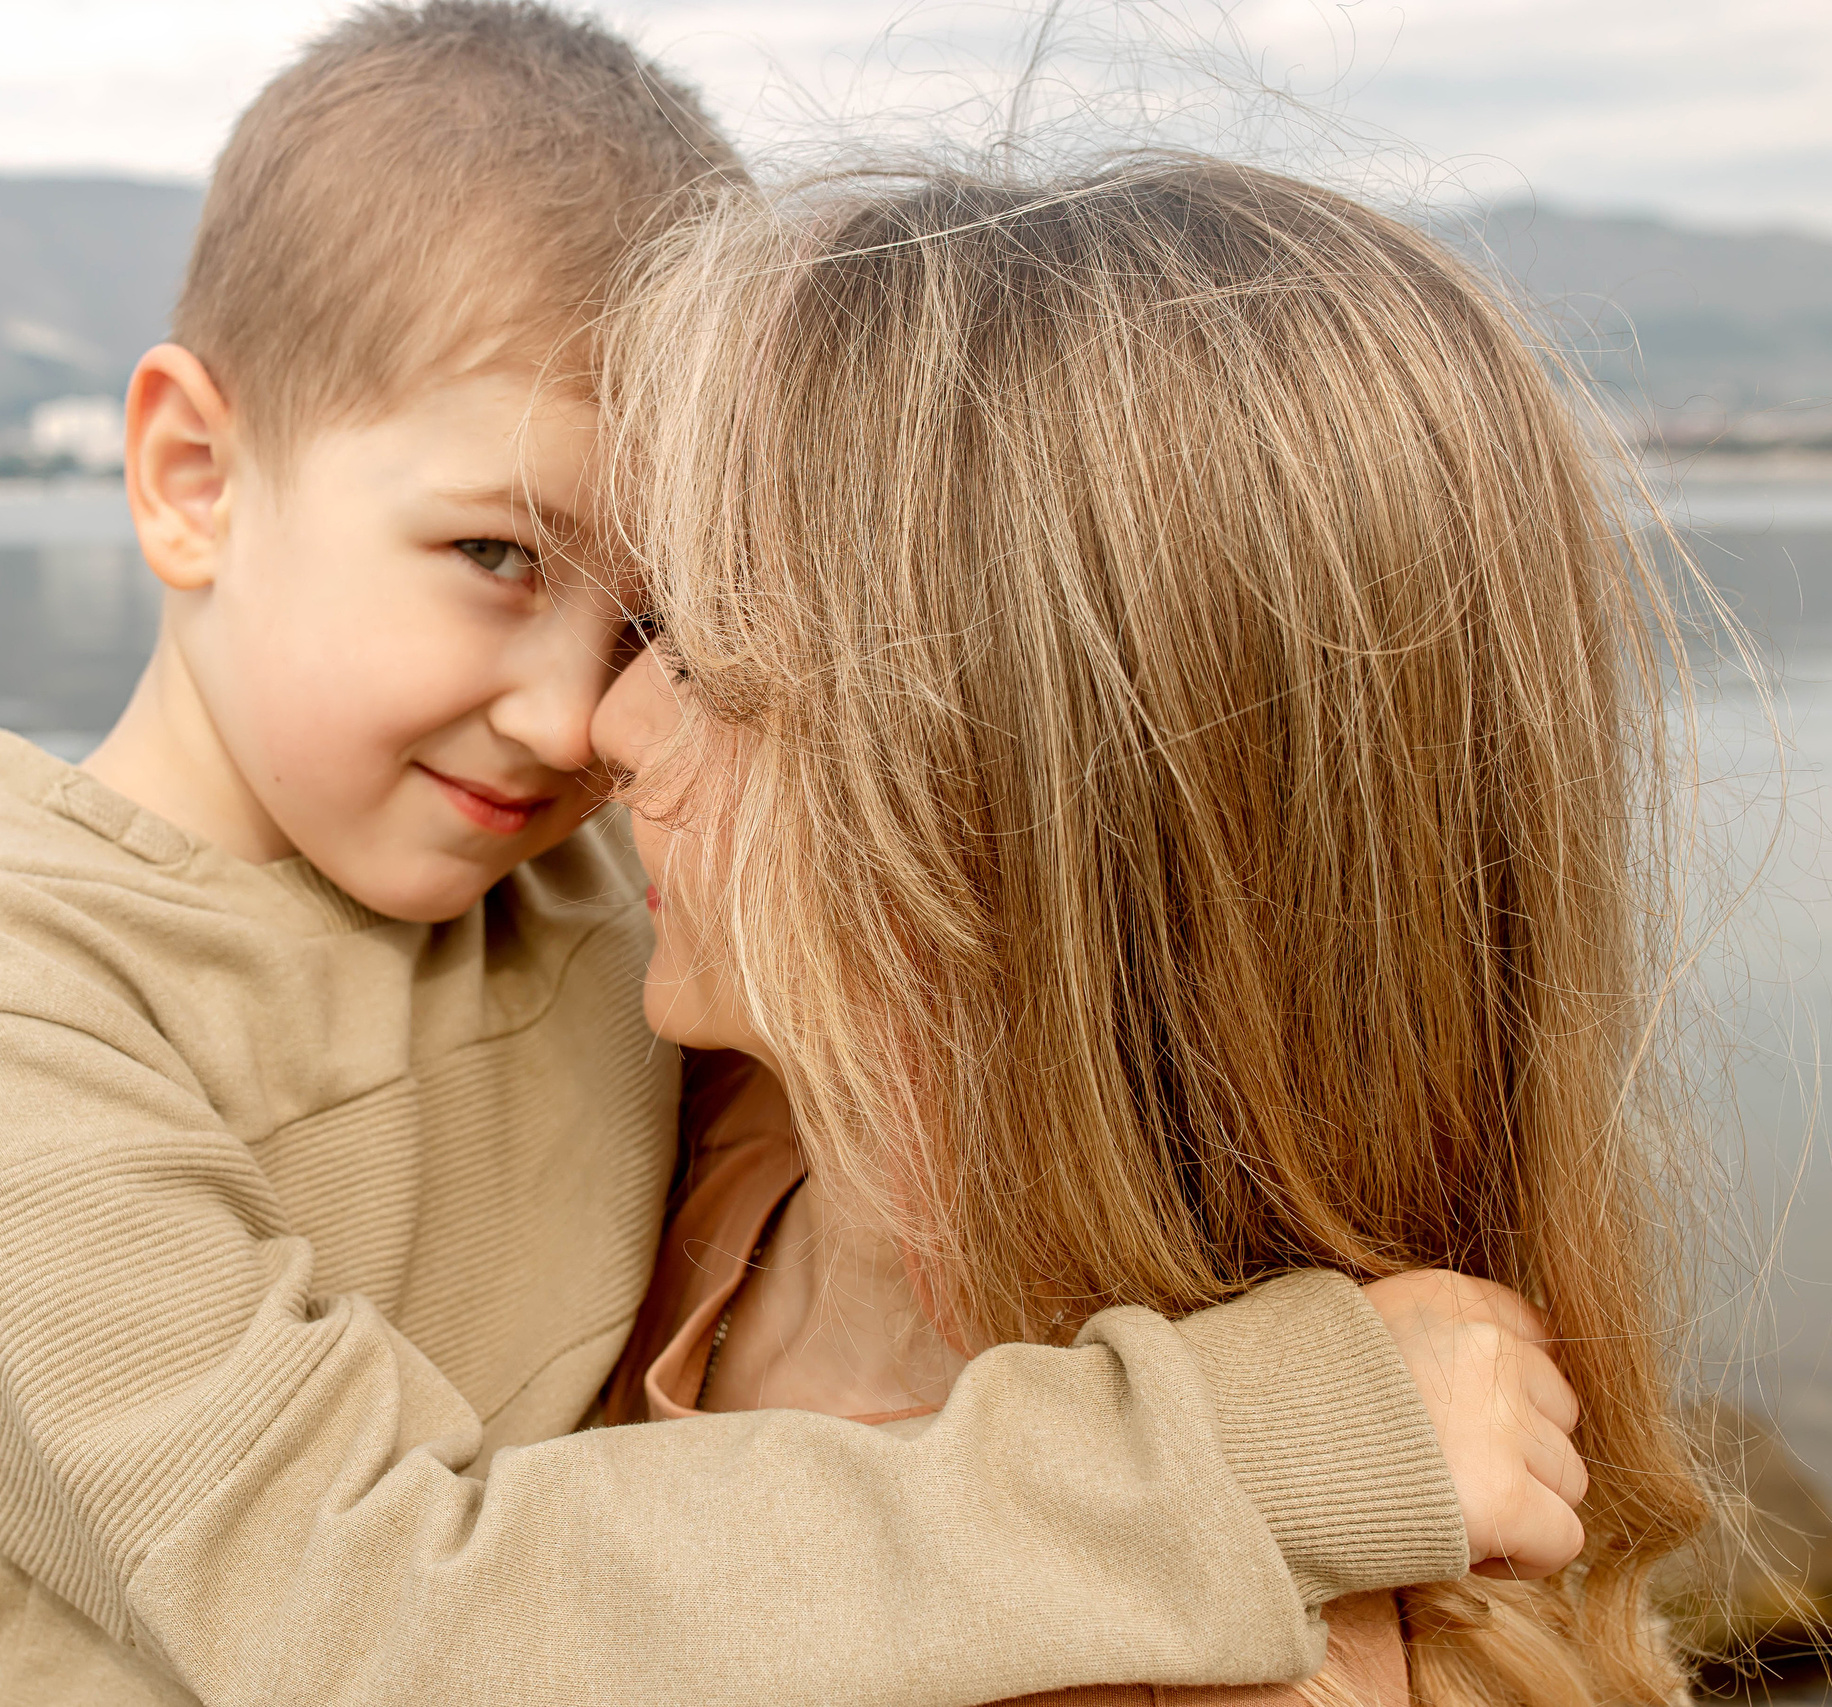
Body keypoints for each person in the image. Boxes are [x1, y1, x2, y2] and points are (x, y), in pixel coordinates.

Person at [0, 9, 1585, 1704]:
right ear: (191, 477)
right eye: (498, 558)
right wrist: (1245, 1451)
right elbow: (353, 1604)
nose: (576, 717)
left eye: (660, 617)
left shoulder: (562, 900)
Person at [589, 154, 1712, 1704]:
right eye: (655, 624)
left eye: (715, 651)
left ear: (1012, 810)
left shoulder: (1247, 1667)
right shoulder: (710, 1143)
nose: (607, 718)